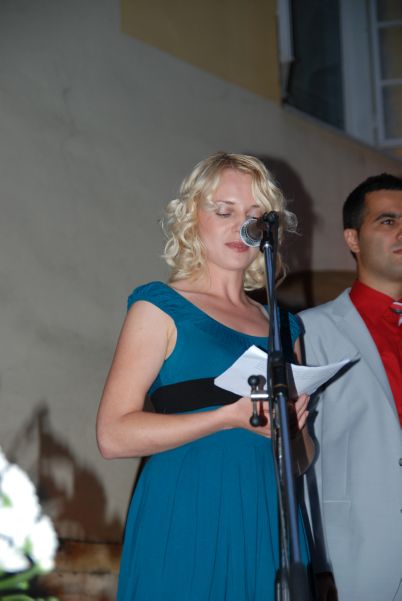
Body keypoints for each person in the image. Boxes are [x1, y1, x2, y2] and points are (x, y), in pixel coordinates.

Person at [96, 152, 311, 601]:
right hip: (187, 510)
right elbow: (113, 436)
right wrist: (226, 417)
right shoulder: (159, 307)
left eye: (255, 216)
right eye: (224, 211)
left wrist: (293, 430)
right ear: (193, 218)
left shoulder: (284, 326)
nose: (242, 227)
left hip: (268, 516)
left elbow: (301, 459)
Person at [299, 173, 402, 601]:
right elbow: (297, 452)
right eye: (388, 221)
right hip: (354, 552)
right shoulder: (309, 330)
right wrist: (315, 560)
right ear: (352, 238)